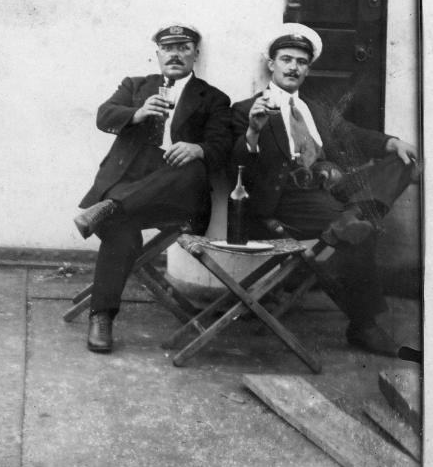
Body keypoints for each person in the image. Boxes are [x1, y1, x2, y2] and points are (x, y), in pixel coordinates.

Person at [231, 22, 420, 356]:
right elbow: (234, 165)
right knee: (360, 231)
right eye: (286, 59)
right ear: (271, 64)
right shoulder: (246, 109)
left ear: (308, 68)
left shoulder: (314, 108)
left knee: (402, 162)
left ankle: (348, 220)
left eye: (301, 62)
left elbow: (352, 134)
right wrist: (253, 132)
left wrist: (392, 142)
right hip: (287, 199)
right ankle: (364, 326)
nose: (293, 67)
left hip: (331, 189)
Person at [75, 23, 232, 353]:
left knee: (191, 167)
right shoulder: (135, 85)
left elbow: (222, 146)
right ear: (158, 54)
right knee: (121, 234)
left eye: (184, 48)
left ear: (195, 54)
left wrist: (198, 148)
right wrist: (138, 113)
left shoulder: (214, 98)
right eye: (168, 48)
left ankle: (112, 206)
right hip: (130, 184)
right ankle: (102, 316)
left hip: (176, 198)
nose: (175, 54)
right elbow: (104, 116)